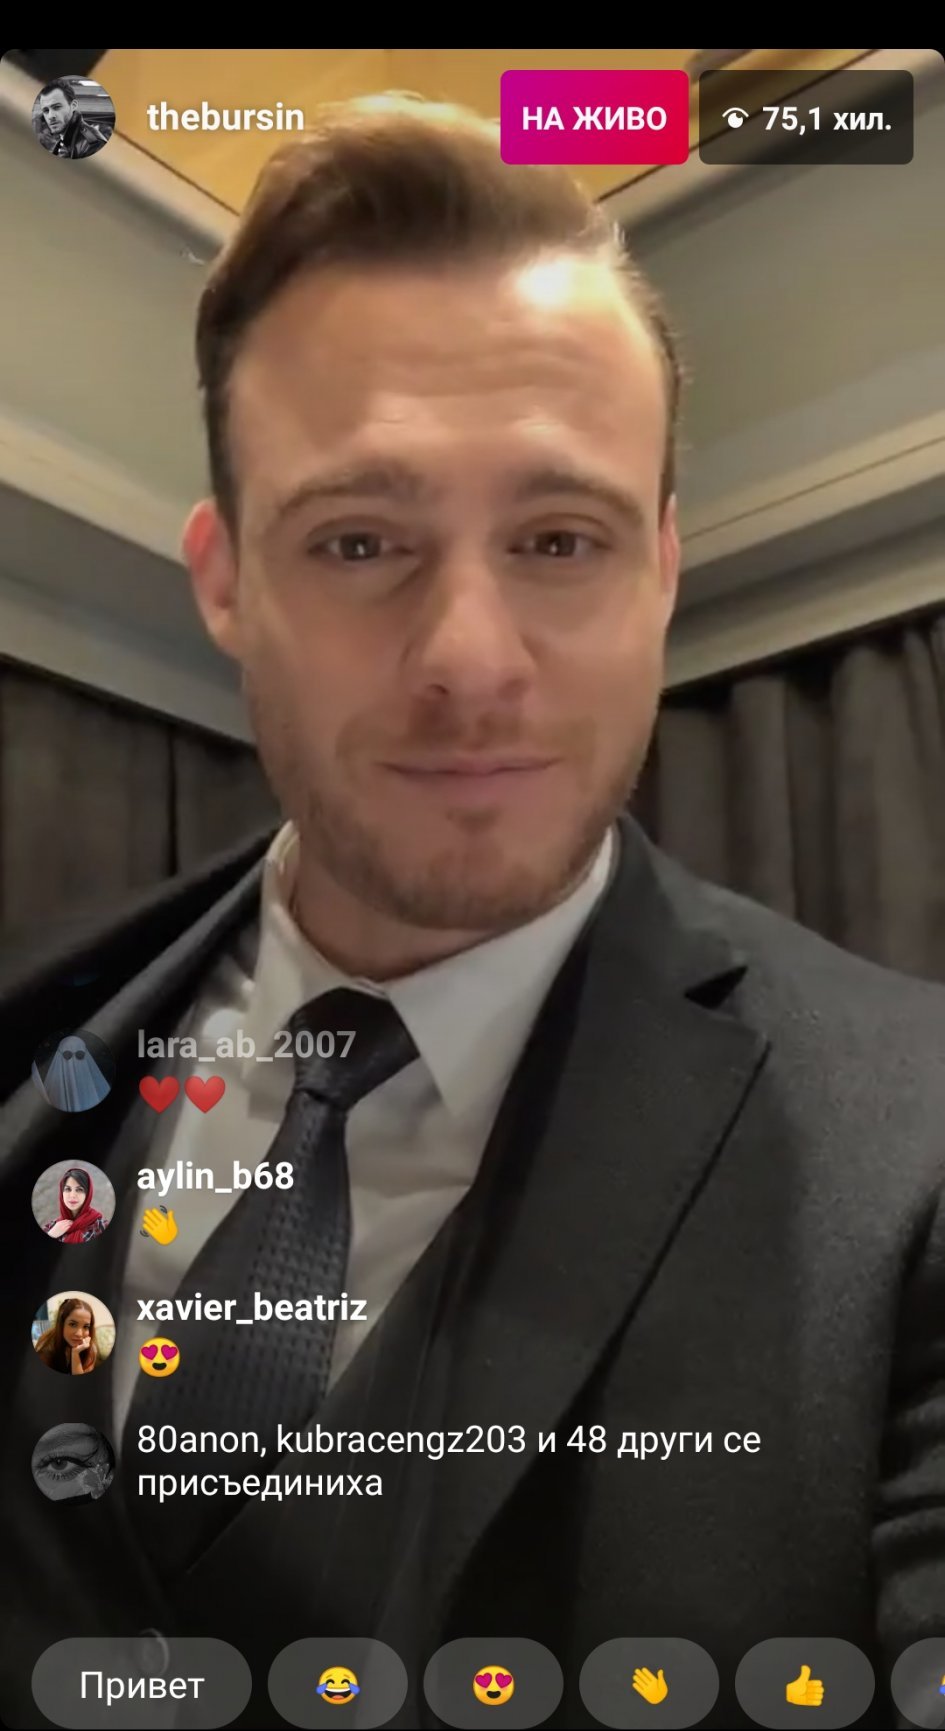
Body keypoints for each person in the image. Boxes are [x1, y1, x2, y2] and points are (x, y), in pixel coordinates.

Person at [0, 93, 943, 1731]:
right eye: (360, 539)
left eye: (559, 539)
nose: (470, 659)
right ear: (223, 579)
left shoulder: (918, 1144)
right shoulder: (41, 1031)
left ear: (662, 570)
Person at [35, 79, 111, 160]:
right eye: (46, 110)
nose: (50, 116)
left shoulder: (92, 142)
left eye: (57, 107)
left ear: (73, 105)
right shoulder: (61, 138)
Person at [32, 1034, 111, 1111]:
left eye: (79, 1055)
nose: (73, 1061)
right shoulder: (50, 1090)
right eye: (67, 1055)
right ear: (59, 1054)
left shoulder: (100, 1087)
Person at [33, 1297, 99, 1375]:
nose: (79, 1334)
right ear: (62, 1324)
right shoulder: (46, 1351)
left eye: (86, 1326)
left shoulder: (89, 1347)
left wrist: (75, 1354)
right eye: (73, 1324)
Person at [41, 1168, 107, 1243]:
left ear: (88, 1194)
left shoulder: (100, 1227)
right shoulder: (51, 1227)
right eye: (68, 1189)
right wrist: (51, 1235)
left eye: (79, 1190)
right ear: (62, 1193)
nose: (72, 1195)